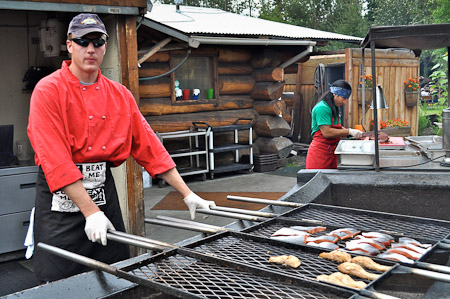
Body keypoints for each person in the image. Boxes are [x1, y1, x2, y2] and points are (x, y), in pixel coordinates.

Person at [27, 13, 215, 282]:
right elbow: (55, 160)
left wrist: (187, 194)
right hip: (60, 209)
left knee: (113, 277)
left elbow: (149, 147)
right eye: (82, 41)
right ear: (69, 45)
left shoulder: (120, 95)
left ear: (105, 46)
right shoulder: (48, 91)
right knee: (59, 284)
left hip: (104, 196)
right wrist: (91, 213)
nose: (90, 48)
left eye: (97, 41)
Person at [306, 80, 362, 169]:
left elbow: (337, 127)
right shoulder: (322, 108)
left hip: (331, 151)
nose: (344, 101)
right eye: (343, 98)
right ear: (335, 94)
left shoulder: (335, 107)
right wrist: (349, 131)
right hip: (320, 152)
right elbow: (327, 132)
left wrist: (350, 134)